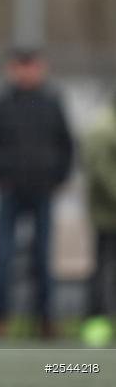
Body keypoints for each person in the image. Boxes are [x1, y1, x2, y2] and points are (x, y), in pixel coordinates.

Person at [0, 47, 73, 338]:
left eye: (31, 66)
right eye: (20, 66)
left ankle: (44, 320)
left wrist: (59, 177)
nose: (26, 73)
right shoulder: (0, 103)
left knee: (42, 258)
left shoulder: (51, 103)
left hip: (43, 191)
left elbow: (66, 145)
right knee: (2, 256)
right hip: (10, 191)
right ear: (11, 69)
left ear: (40, 68)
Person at [82, 91, 116, 336]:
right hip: (107, 214)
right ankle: (97, 323)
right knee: (103, 268)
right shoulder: (103, 129)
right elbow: (102, 172)